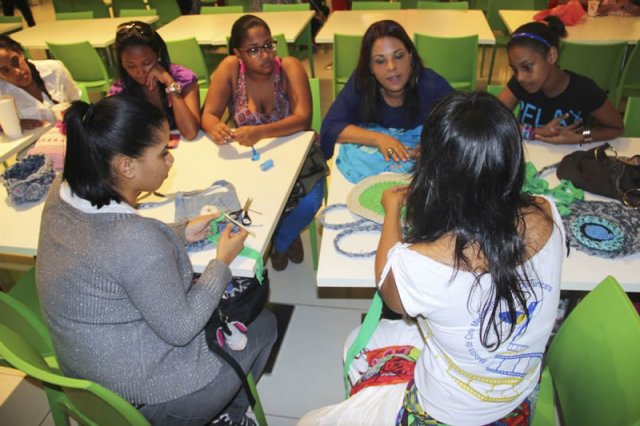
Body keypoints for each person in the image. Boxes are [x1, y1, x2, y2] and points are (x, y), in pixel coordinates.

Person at [300, 92, 564, 425]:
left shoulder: (424, 263)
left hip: (444, 413)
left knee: (312, 418)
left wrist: (393, 209)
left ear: (435, 170)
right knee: (369, 338)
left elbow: (388, 288)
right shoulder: (546, 213)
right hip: (517, 395)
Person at [35, 95, 277, 426]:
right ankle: (227, 416)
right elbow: (181, 329)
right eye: (163, 152)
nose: (170, 160)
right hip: (145, 402)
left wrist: (180, 232)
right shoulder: (136, 240)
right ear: (126, 165)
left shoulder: (63, 193)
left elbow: (112, 246)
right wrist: (221, 262)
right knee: (264, 324)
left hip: (86, 377)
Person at [202, 14, 321, 272]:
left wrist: (260, 132)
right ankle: (282, 235)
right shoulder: (230, 69)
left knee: (312, 199)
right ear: (238, 53)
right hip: (253, 160)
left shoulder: (289, 67)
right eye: (254, 50)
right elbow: (208, 115)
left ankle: (281, 240)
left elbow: (303, 119)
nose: (265, 55)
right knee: (247, 198)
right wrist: (216, 128)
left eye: (268, 45)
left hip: (296, 155)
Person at [319, 20, 452, 162]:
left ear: (410, 57)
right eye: (380, 61)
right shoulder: (361, 83)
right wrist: (379, 139)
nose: (391, 67)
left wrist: (433, 145)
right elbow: (330, 128)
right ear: (370, 67)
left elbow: (464, 122)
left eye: (399, 56)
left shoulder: (431, 84)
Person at [497, 16, 624, 145]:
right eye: (515, 69)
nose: (520, 77)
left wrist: (581, 137)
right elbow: (491, 118)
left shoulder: (584, 89)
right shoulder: (522, 82)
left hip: (569, 160)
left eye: (527, 67)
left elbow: (616, 128)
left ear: (551, 56)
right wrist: (534, 132)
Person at [109, 21, 201, 140]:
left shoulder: (183, 78)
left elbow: (190, 132)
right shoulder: (119, 90)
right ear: (122, 64)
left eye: (146, 63)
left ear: (158, 55)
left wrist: (170, 83)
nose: (140, 72)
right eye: (131, 66)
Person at [0, 35, 80, 129]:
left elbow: (76, 102)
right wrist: (11, 124)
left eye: (15, 61)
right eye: (5, 70)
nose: (17, 72)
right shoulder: (2, 92)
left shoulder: (54, 69)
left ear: (21, 53)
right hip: (34, 142)